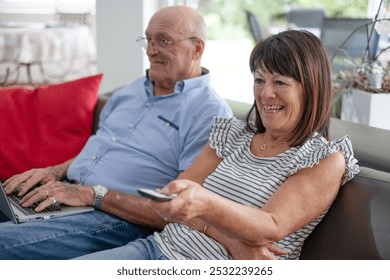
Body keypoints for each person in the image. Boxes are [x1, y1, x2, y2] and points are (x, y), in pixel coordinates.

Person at [76, 30, 360, 260]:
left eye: (280, 82)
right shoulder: (232, 135)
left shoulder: (324, 158)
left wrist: (204, 203)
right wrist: (217, 227)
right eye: (259, 80)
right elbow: (171, 206)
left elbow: (269, 227)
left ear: (311, 87)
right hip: (155, 249)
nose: (266, 93)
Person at [0, 6, 232, 260]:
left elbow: (179, 209)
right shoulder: (130, 90)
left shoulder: (210, 113)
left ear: (197, 48)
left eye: (163, 41)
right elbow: (99, 150)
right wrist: (54, 171)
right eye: (148, 39)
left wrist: (92, 195)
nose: (151, 50)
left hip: (116, 218)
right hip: (68, 192)